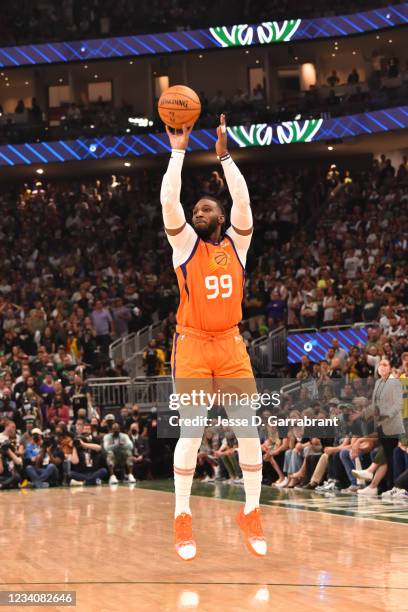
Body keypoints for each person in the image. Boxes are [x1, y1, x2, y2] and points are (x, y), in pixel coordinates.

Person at [161, 114, 266, 560]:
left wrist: (225, 156)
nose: (196, 213)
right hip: (192, 343)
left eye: (205, 209)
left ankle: (252, 512)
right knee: (192, 431)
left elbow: (242, 198)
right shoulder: (185, 246)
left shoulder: (237, 245)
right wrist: (178, 149)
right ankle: (183, 517)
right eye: (195, 210)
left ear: (220, 217)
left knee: (249, 431)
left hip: (230, 342)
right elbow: (169, 200)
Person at [365, 358, 404, 491]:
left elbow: (398, 404)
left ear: (390, 367)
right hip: (381, 423)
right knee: (387, 456)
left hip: (392, 423)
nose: (382, 367)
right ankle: (389, 487)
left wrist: (387, 414)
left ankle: (394, 486)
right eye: (380, 365)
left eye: (385, 365)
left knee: (392, 456)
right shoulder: (378, 382)